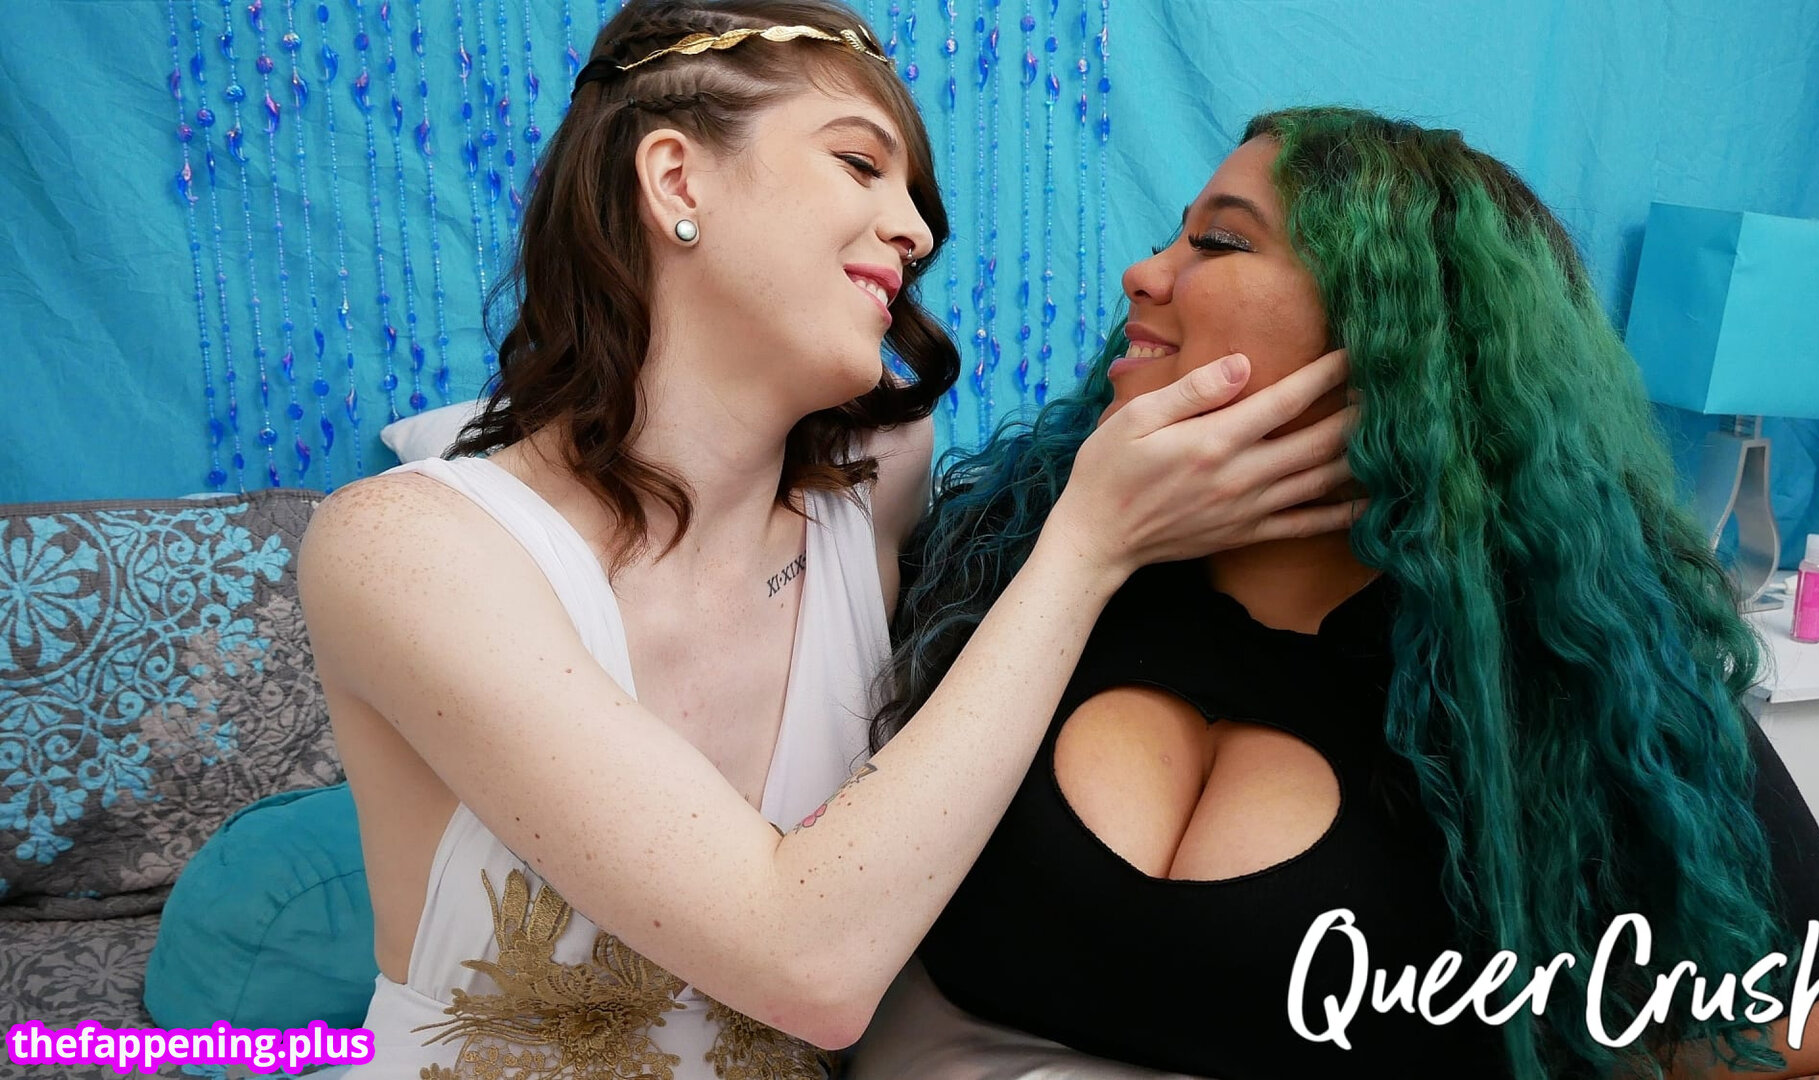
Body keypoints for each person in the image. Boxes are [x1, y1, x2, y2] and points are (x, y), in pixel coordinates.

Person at [294, 3, 1360, 1077]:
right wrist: (1089, 546)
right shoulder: (405, 549)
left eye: (916, 196)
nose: (917, 232)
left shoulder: (876, 487)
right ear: (677, 181)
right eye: (860, 164)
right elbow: (811, 968)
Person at [851, 107, 1819, 1080]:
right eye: (1173, 237)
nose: (1143, 273)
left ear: (1397, 331)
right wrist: (1084, 548)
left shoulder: (1582, 692)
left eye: (1219, 242)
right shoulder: (998, 568)